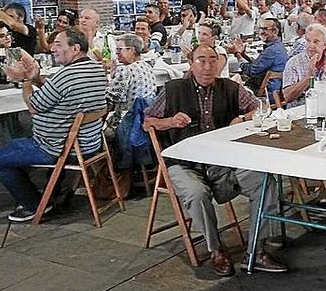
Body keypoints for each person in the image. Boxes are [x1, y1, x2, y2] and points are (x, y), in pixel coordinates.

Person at [143, 44, 286, 276]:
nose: (208, 66)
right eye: (201, 60)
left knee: (264, 181)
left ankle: (256, 251)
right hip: (184, 163)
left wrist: (241, 117)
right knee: (196, 193)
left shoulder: (230, 87)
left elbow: (260, 108)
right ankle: (216, 249)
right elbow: (148, 121)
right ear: (191, 63)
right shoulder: (173, 89)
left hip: (224, 161)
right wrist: (169, 122)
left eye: (213, 60)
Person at [0, 28, 108, 222]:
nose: (52, 48)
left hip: (56, 147)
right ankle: (50, 194)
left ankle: (33, 204)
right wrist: (36, 78)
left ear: (75, 48)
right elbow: (56, 95)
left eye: (58, 45)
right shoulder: (96, 68)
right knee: (14, 144)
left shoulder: (66, 75)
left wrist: (25, 80)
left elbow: (33, 107)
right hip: (90, 144)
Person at [282, 23, 326, 105]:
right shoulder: (294, 63)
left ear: (324, 45)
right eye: (308, 41)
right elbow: (287, 97)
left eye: (316, 42)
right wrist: (308, 77)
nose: (311, 45)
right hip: (300, 110)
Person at [107, 33, 156, 131]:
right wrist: (113, 76)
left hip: (127, 123)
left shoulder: (126, 70)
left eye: (119, 49)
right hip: (146, 120)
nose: (116, 53)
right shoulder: (148, 66)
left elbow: (111, 99)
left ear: (132, 50)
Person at [232, 18, 288, 98]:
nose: (261, 32)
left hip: (267, 93)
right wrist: (243, 55)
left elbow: (251, 71)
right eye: (260, 28)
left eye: (265, 29)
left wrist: (237, 54)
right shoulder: (279, 46)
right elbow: (258, 64)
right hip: (277, 90)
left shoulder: (271, 51)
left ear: (275, 31)